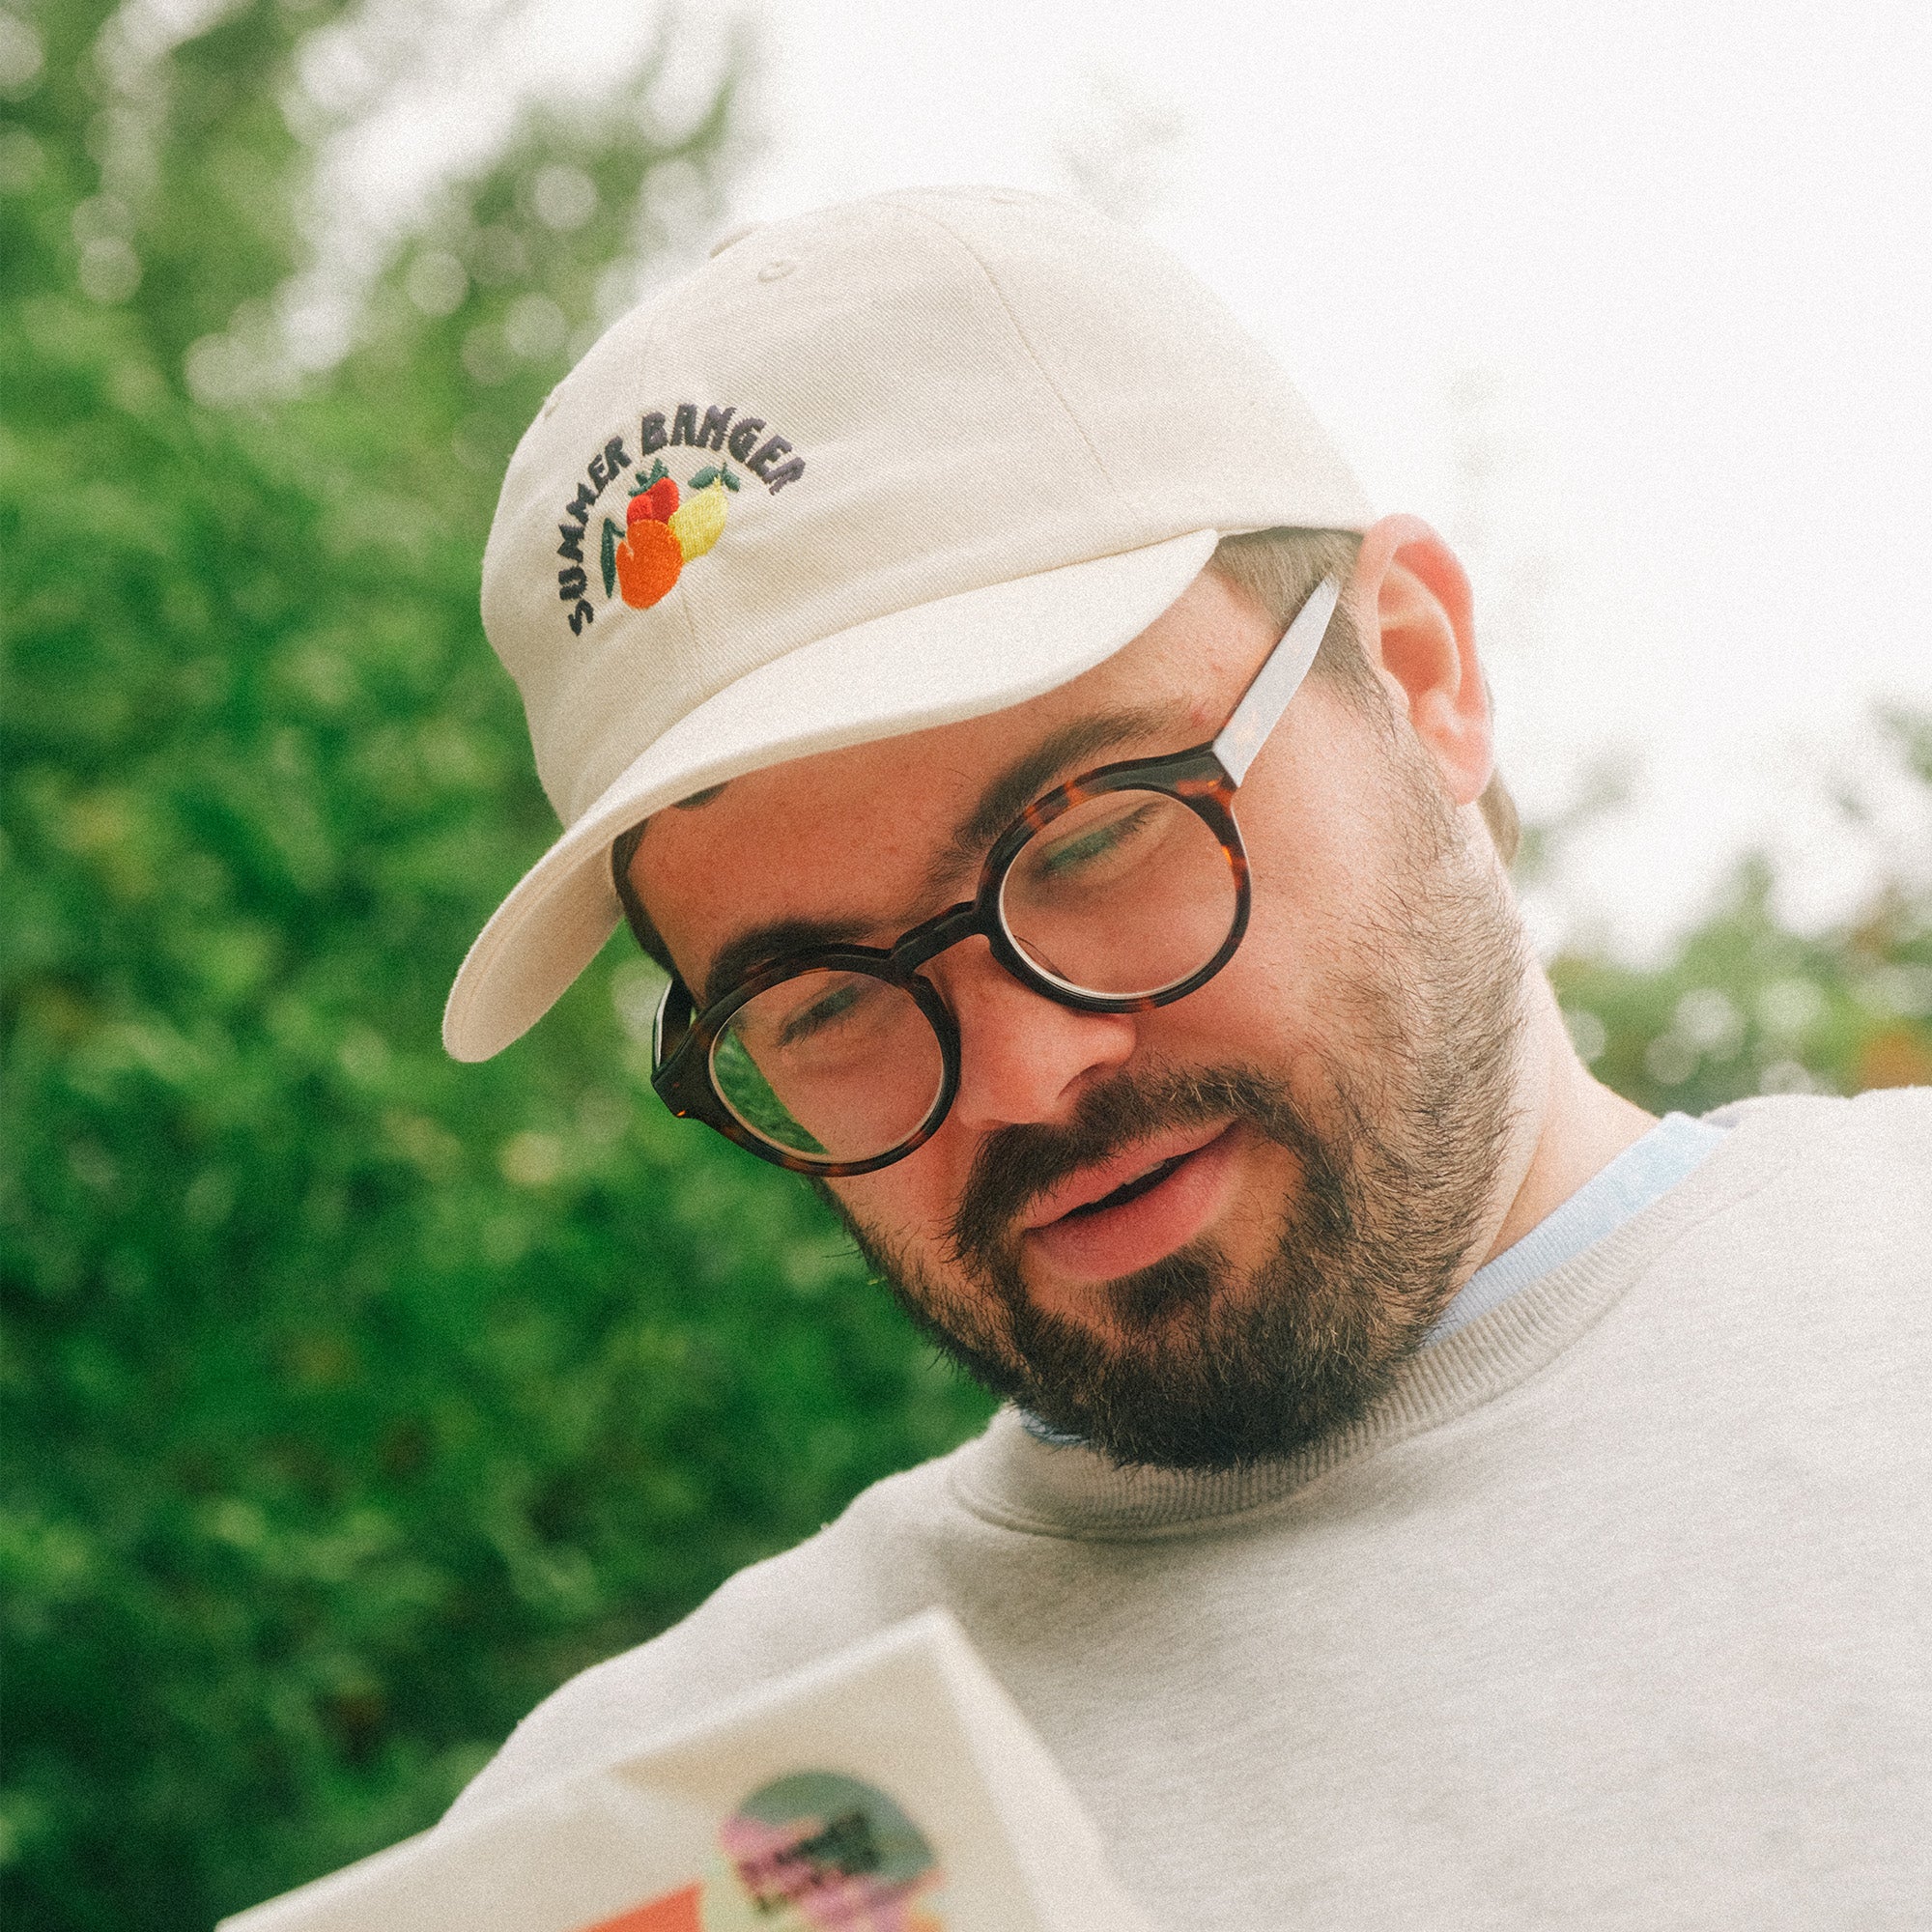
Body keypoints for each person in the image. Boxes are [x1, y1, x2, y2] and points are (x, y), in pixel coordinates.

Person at [438, 187, 1930, 1925]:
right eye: (823, 1001)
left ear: (1421, 675)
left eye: (1091, 839)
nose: (1023, 1069)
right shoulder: (638, 1841)